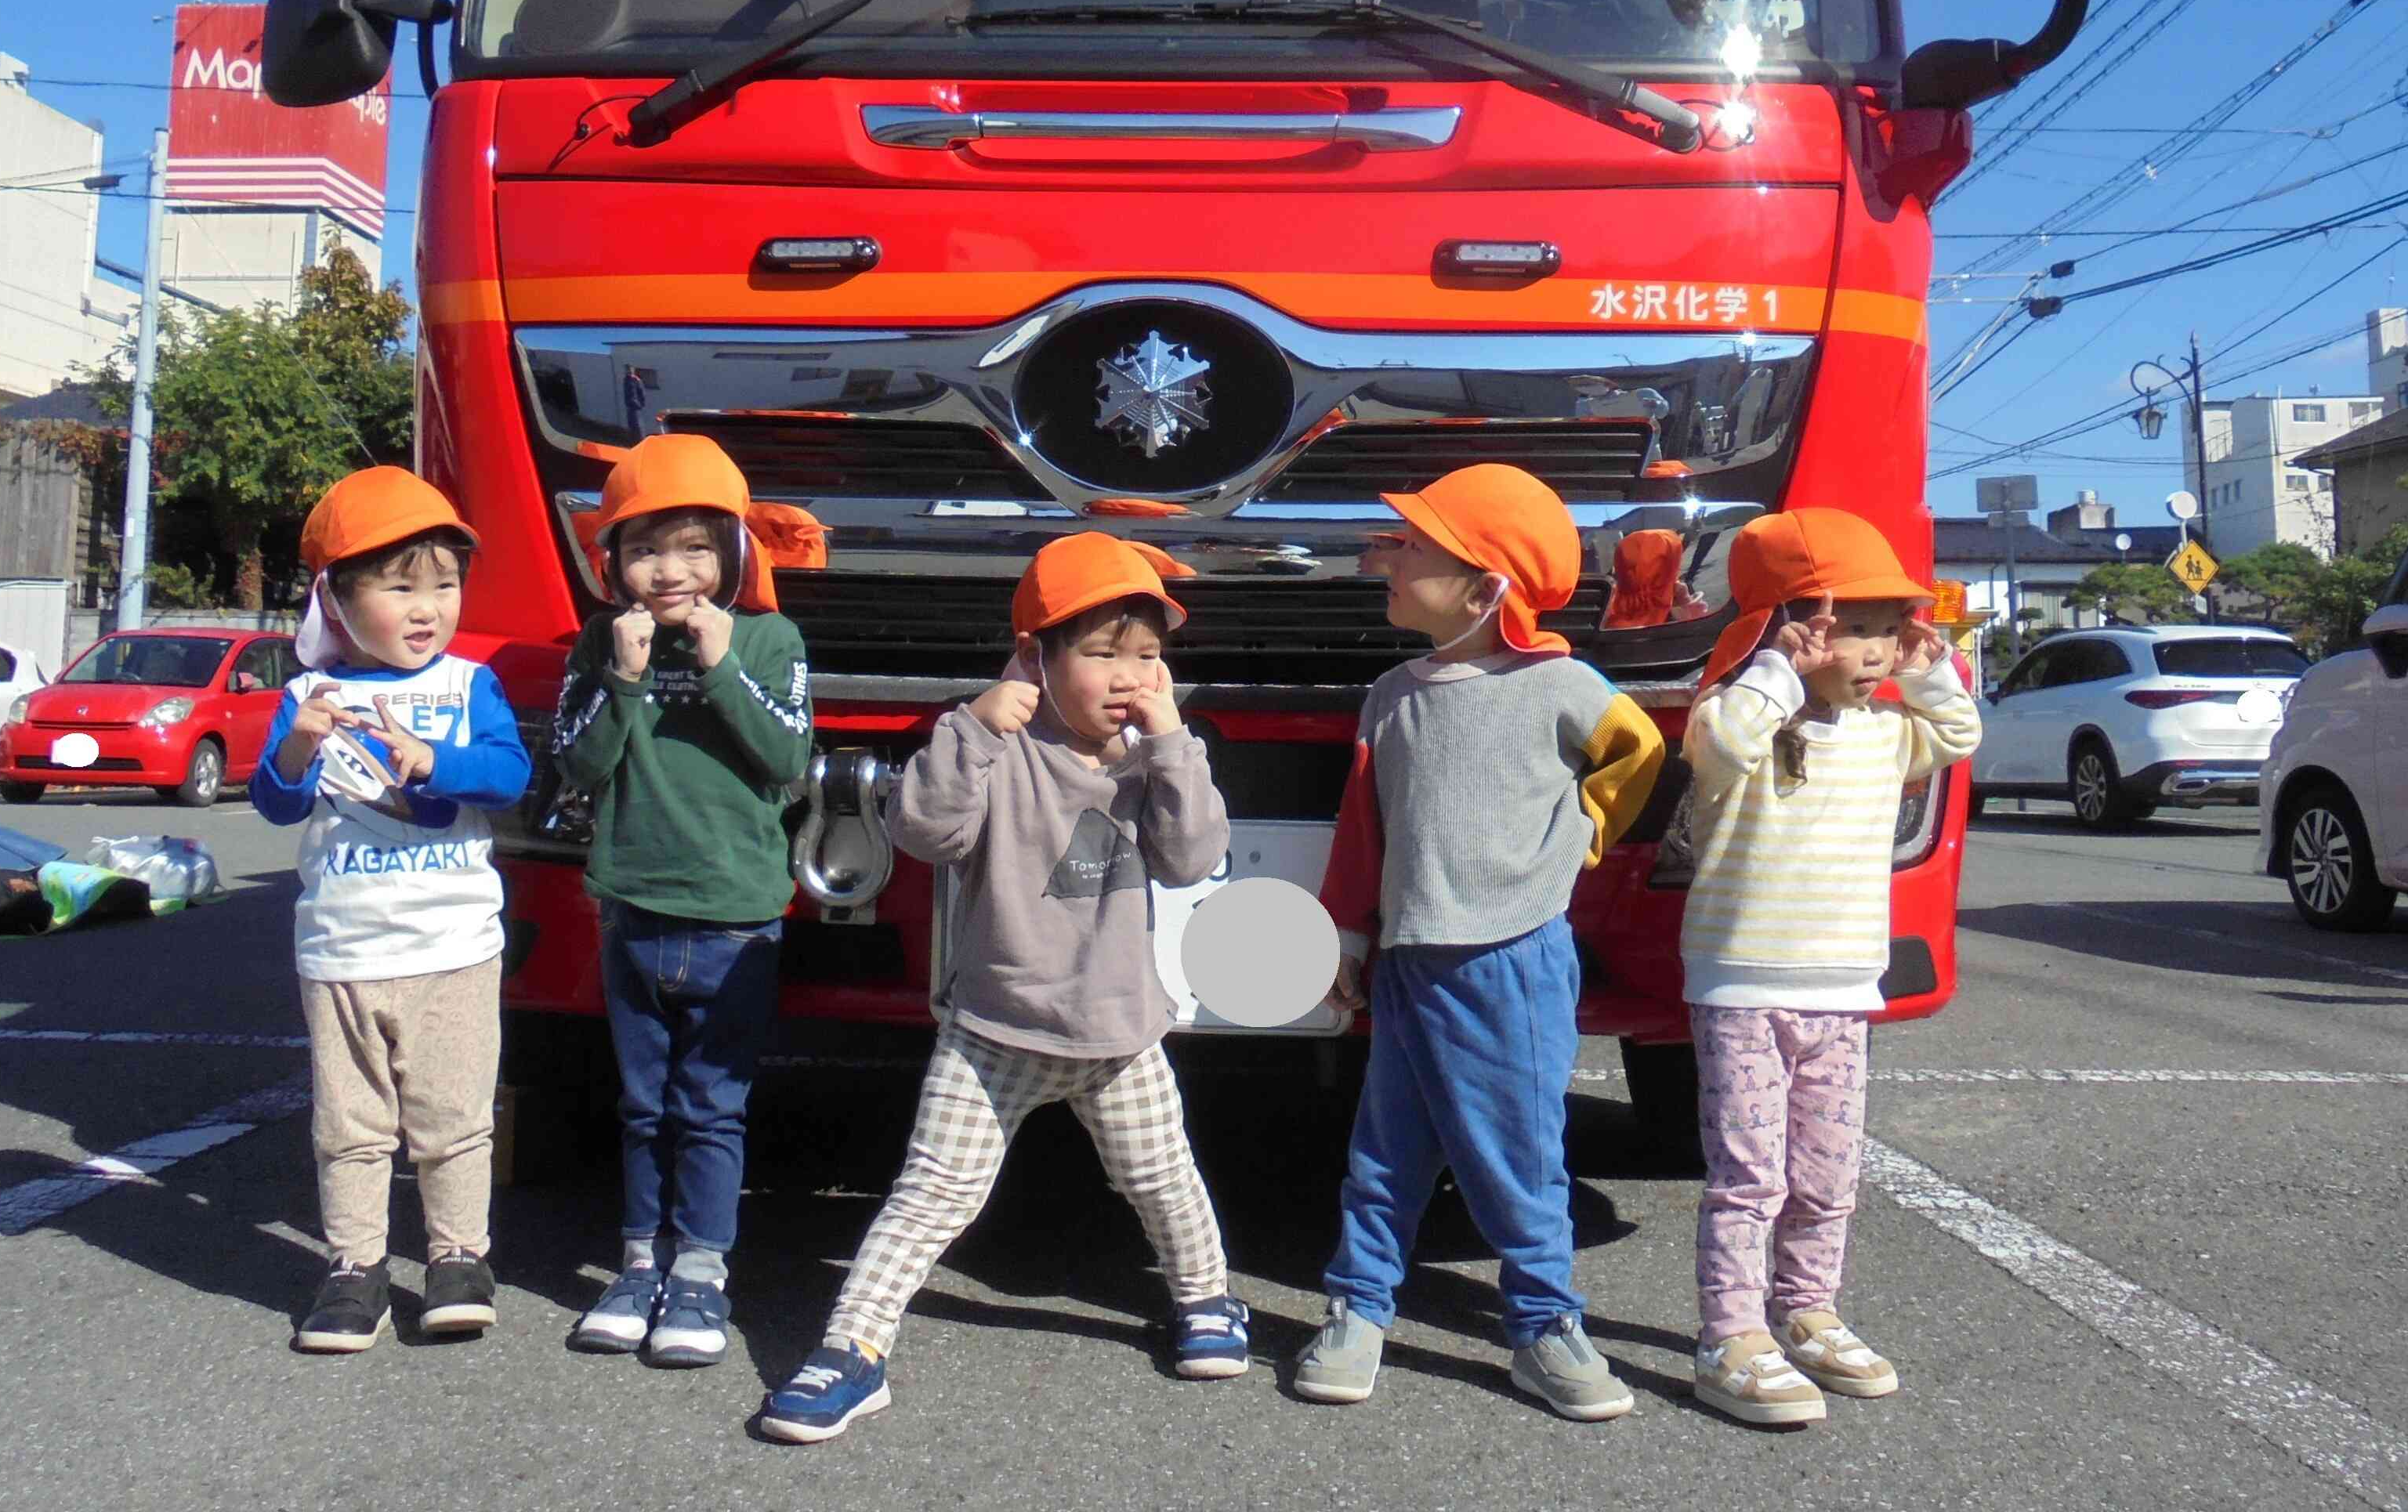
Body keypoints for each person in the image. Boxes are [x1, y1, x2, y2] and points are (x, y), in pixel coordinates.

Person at [759, 533, 1244, 1443]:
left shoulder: (1155, 754)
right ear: (1034, 655)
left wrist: (1174, 741)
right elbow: (926, 834)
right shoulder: (988, 739)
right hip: (994, 1028)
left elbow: (1194, 859)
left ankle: (1209, 1300)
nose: (1128, 677)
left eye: (1147, 656)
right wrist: (978, 727)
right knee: (931, 1191)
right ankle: (852, 1352)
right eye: (1100, 654)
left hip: (1118, 1034)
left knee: (1162, 1180)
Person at [1296, 465, 1667, 1418]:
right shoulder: (1392, 694)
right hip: (1412, 956)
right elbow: (1364, 826)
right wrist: (1349, 932)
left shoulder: (1561, 684)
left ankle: (1545, 1322)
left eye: (1411, 548)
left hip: (1513, 954)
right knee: (1385, 1149)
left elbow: (1640, 750)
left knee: (1518, 1151)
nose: (1384, 556)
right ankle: (1359, 1304)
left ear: (1486, 585)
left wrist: (1586, 826)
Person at [1678, 508, 1979, 1427]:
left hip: (1843, 990)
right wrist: (1778, 667)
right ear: (1788, 631)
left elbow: (1959, 736)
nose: (1880, 649)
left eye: (1892, 628)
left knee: (1827, 1171)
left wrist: (1933, 671)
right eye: (1855, 627)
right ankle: (1731, 1334)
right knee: (1749, 1175)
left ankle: (1807, 1311)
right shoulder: (1735, 721)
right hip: (1741, 987)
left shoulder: (1890, 734)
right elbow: (1720, 746)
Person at [250, 466, 532, 1355]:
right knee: (351, 1124)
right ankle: (353, 1270)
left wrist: (433, 761)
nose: (429, 607)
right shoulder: (307, 697)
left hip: (454, 945)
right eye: (400, 586)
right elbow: (276, 804)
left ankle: (458, 1259)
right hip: (340, 948)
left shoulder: (469, 683)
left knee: (453, 1114)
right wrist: (294, 750)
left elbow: (510, 775)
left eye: (444, 584)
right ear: (336, 600)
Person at [551, 434, 816, 1369]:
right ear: (613, 560)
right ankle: (636, 1265)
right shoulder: (601, 642)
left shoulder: (770, 638)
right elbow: (578, 764)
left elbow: (786, 760)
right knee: (640, 1103)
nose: (671, 570)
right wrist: (625, 676)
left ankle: (700, 1273)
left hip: (739, 913)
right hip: (631, 905)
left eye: (697, 546)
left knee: (710, 1106)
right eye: (646, 548)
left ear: (736, 554)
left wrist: (718, 663)